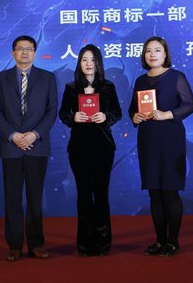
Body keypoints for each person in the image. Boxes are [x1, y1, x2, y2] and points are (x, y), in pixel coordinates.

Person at [0, 35, 58, 262]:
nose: (25, 52)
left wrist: (34, 134)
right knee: (12, 198)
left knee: (35, 198)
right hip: (11, 146)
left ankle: (36, 244)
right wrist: (13, 135)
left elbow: (51, 111)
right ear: (13, 53)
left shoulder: (48, 78)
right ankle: (15, 245)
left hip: (37, 146)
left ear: (35, 53)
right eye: (20, 49)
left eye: (29, 49)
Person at [128, 36, 193, 257]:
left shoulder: (176, 77)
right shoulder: (140, 81)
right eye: (148, 51)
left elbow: (190, 105)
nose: (152, 54)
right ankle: (159, 241)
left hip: (170, 139)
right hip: (148, 140)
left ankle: (173, 242)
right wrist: (135, 116)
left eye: (157, 50)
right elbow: (132, 108)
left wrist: (168, 114)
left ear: (165, 54)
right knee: (154, 192)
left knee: (169, 190)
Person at [59, 45, 122, 256]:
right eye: (84, 59)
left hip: (103, 147)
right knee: (84, 195)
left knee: (101, 195)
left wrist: (106, 117)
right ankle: (85, 244)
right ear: (79, 63)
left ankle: (103, 243)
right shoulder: (71, 87)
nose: (88, 64)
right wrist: (73, 118)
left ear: (98, 63)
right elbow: (63, 113)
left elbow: (117, 112)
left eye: (92, 60)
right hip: (79, 148)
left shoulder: (108, 87)